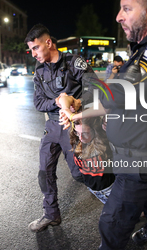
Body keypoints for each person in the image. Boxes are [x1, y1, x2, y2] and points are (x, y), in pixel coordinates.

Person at [59, 0, 147, 248]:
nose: (119, 16)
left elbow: (119, 92)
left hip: (141, 157)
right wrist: (79, 110)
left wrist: (74, 98)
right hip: (133, 153)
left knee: (112, 222)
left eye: (127, 9)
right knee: (141, 198)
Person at [24, 24, 95, 232]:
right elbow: (38, 103)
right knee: (44, 172)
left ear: (48, 42)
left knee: (81, 174)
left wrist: (75, 102)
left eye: (36, 48)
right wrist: (57, 101)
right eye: (31, 50)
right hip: (53, 126)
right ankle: (51, 214)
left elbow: (97, 90)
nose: (33, 54)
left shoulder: (74, 62)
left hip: (74, 125)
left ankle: (126, 197)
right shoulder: (39, 70)